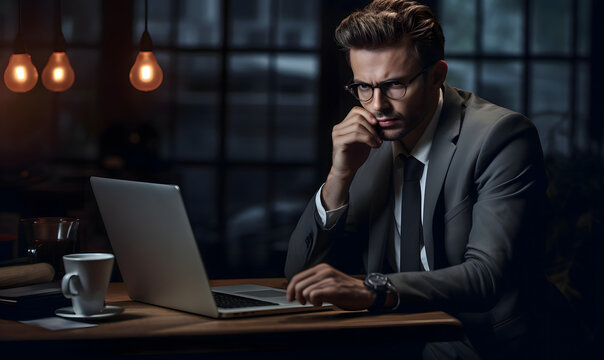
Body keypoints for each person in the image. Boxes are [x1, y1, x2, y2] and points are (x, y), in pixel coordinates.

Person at [284, 1, 569, 358]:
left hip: (484, 342)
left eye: (394, 85)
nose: (376, 106)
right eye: (363, 87)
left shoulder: (501, 137)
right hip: (392, 336)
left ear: (437, 75)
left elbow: (486, 276)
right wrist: (339, 176)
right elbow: (299, 275)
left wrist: (375, 290)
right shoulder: (367, 141)